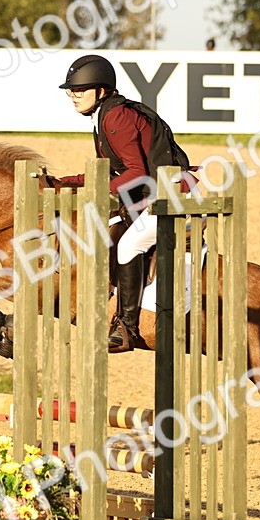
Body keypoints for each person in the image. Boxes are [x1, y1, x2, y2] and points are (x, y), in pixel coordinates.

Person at [52, 54, 195, 353]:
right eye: (71, 90)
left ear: (101, 91)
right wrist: (70, 181)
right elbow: (113, 172)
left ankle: (127, 328)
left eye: (81, 89)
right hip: (153, 194)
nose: (73, 96)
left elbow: (136, 172)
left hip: (170, 197)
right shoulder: (104, 114)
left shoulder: (115, 116)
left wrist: (92, 189)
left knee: (130, 245)